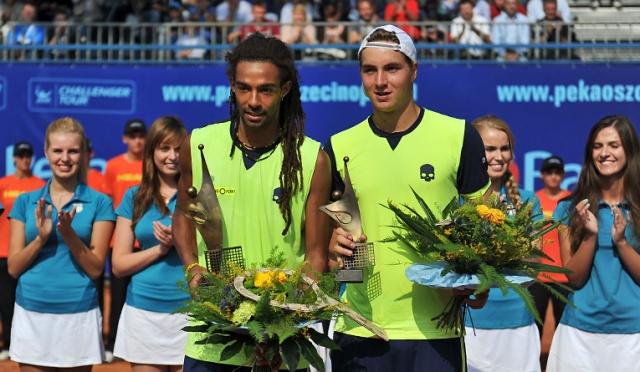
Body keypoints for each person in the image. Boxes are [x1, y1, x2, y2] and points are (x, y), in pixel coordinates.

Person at [326, 25, 490, 371]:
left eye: (392, 68)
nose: (380, 81)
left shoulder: (458, 135)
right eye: (369, 70)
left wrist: (478, 280)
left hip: (436, 331)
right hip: (359, 327)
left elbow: (485, 230)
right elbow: (325, 243)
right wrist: (332, 247)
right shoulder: (339, 146)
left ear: (414, 70)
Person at [173, 32, 331, 371]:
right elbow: (184, 215)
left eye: (266, 89)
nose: (253, 100)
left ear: (285, 90)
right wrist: (191, 267)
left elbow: (317, 253)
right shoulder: (199, 144)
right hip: (212, 341)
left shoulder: (311, 158)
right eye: (244, 87)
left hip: (284, 345)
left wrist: (288, 313)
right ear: (232, 85)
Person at [7, 117, 116, 370]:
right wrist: (41, 238)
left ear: (83, 154)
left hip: (79, 315)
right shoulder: (25, 202)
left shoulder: (100, 203)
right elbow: (13, 268)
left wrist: (68, 233)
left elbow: (96, 268)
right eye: (57, 150)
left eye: (73, 151)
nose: (64, 158)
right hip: (31, 312)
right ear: (46, 152)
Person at [547, 115, 640, 371]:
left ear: (629, 150)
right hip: (579, 334)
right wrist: (590, 236)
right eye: (597, 146)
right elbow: (573, 278)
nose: (604, 153)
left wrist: (621, 242)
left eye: (614, 145)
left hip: (634, 335)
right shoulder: (568, 208)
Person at [463, 115, 543, 372]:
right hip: (467, 323)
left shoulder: (528, 200)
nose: (498, 156)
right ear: (474, 151)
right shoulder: (457, 201)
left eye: (504, 148)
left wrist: (523, 237)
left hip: (517, 323)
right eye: (489, 148)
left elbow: (535, 268)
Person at [111, 116, 189, 371]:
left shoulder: (199, 194)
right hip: (143, 314)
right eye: (164, 148)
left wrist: (180, 242)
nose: (172, 156)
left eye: (178, 148)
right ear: (151, 151)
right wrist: (160, 249)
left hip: (192, 312)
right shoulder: (134, 197)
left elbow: (215, 254)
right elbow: (119, 265)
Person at [102, 118, 146, 362]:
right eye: (133, 136)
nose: (137, 140)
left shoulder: (150, 165)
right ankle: (112, 345)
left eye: (141, 136)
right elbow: (109, 204)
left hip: (147, 240)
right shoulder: (112, 166)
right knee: (117, 294)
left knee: (141, 294)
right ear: (125, 138)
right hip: (119, 240)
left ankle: (138, 345)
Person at [0, 141, 45, 362]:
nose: (25, 159)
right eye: (21, 155)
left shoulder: (40, 185)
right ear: (14, 159)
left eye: (28, 155)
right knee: (6, 301)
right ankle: (8, 343)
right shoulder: (3, 184)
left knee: (30, 299)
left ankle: (32, 342)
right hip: (3, 251)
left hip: (30, 251)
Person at [530, 155, 570, 338]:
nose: (553, 176)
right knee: (534, 330)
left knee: (564, 331)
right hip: (538, 276)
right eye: (549, 172)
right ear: (542, 175)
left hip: (564, 276)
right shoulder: (533, 200)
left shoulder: (572, 201)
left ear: (563, 175)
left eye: (557, 172)